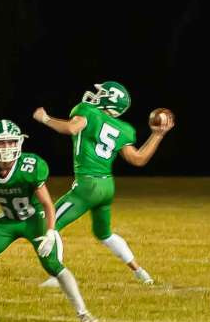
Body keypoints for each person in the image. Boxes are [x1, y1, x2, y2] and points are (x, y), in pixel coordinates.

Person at [0, 120, 98, 322]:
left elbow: (47, 204)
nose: (6, 148)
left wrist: (50, 231)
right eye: (1, 143)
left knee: (52, 264)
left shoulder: (30, 166)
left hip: (34, 219)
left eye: (11, 142)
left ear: (19, 142)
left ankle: (83, 313)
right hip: (8, 220)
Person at [32, 81, 173, 286]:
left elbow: (72, 128)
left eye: (102, 93)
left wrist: (45, 118)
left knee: (49, 222)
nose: (96, 95)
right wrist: (157, 135)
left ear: (110, 99)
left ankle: (58, 275)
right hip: (107, 187)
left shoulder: (86, 110)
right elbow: (138, 159)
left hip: (87, 186)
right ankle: (140, 272)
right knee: (104, 233)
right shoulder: (124, 129)